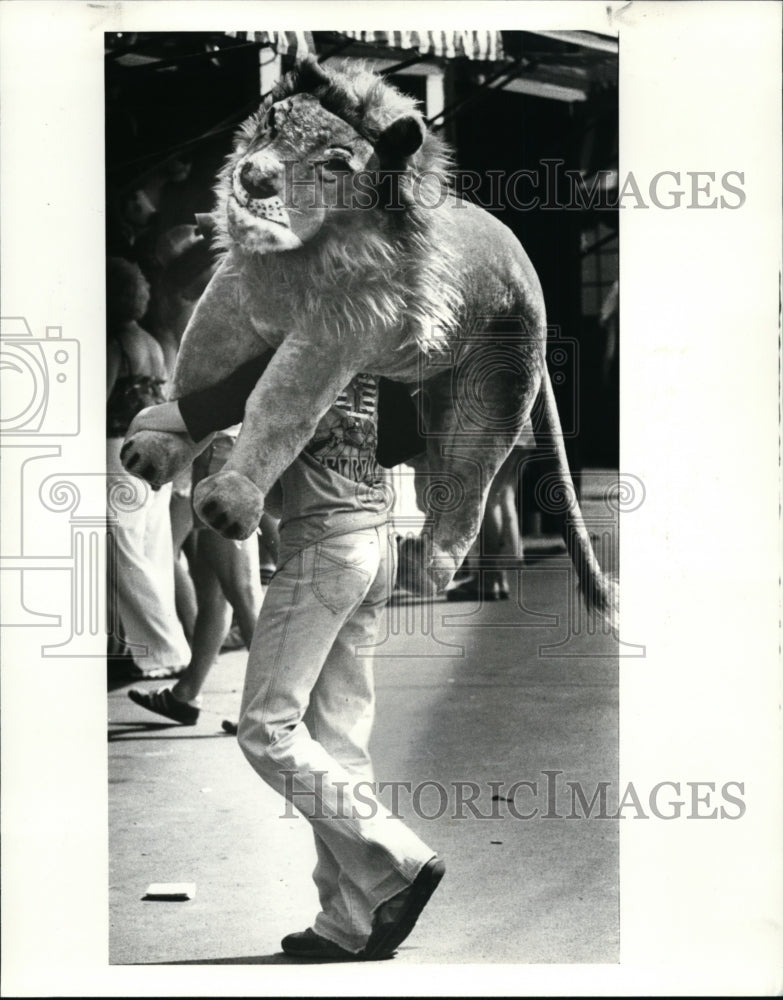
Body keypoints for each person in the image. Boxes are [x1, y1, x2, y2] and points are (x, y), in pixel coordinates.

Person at [122, 358, 445, 959]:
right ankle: (351, 920)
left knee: (266, 729)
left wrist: (149, 416)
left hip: (324, 547)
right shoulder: (377, 353)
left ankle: (399, 858)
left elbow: (191, 415)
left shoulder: (291, 356)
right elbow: (408, 443)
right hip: (377, 539)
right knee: (338, 737)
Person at [127, 426, 264, 725]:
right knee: (214, 592)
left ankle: (273, 710)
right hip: (212, 456)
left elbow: (208, 404)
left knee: (241, 590)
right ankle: (185, 695)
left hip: (222, 456)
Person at [106, 256, 190, 678]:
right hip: (151, 451)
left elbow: (98, 402)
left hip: (116, 449)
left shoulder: (115, 343)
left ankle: (162, 647)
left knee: (122, 550)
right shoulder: (154, 343)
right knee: (153, 548)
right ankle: (160, 648)